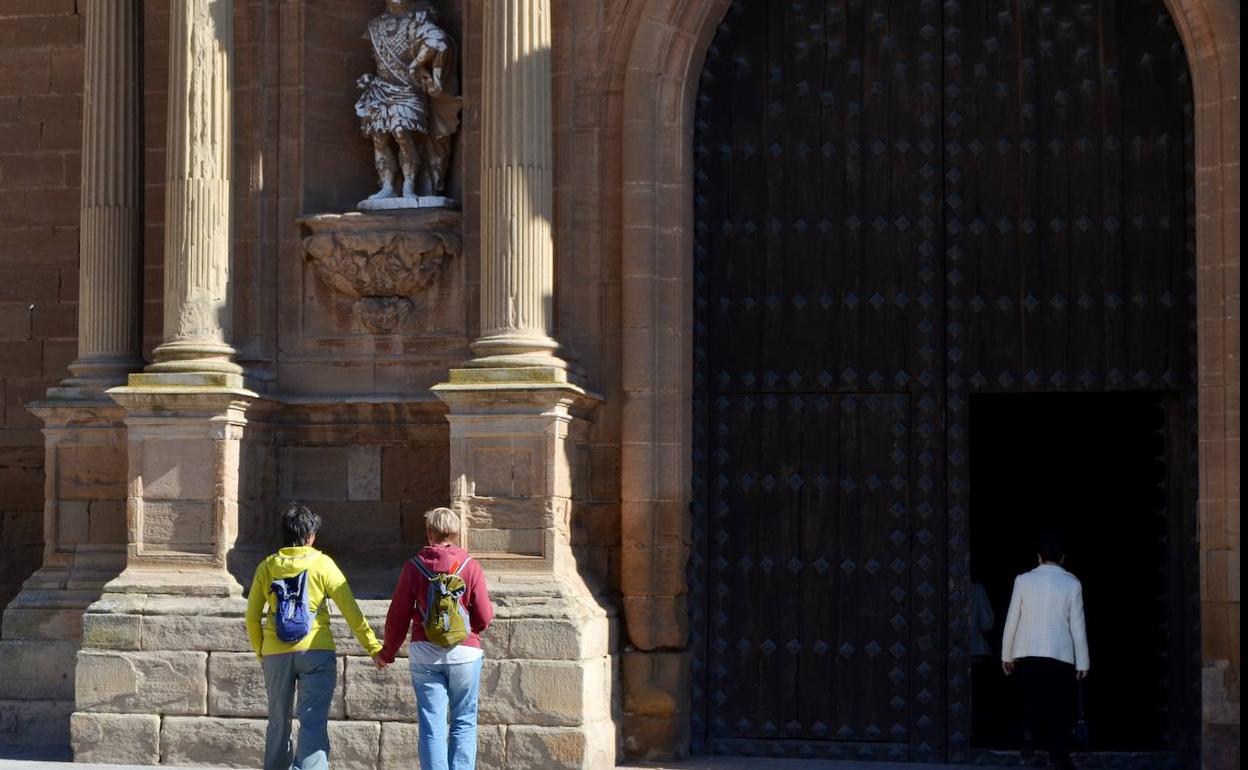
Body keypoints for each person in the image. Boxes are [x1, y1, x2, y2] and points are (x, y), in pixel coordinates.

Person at [246, 503, 384, 770]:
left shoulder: (266, 567)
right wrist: (373, 647)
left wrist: (261, 652)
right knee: (312, 723)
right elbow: (351, 611)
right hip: (316, 650)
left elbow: (252, 617)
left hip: (276, 652)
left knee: (278, 722)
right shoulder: (323, 563)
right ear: (310, 536)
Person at [379, 507, 494, 770]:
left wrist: (387, 653)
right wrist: (469, 631)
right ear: (456, 533)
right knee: (464, 720)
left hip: (424, 652)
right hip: (465, 653)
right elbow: (485, 616)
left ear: (429, 533)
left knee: (432, 723)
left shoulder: (413, 567)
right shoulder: (471, 566)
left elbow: (397, 616)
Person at [1001, 534, 1090, 770]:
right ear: (1062, 558)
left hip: (1027, 651)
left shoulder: (1023, 580)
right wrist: (1083, 662)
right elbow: (1077, 626)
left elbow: (1012, 618)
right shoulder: (1072, 583)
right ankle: (1058, 754)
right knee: (1059, 705)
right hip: (1060, 654)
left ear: (1038, 557)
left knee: (1030, 699)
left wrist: (1006, 655)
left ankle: (1028, 739)